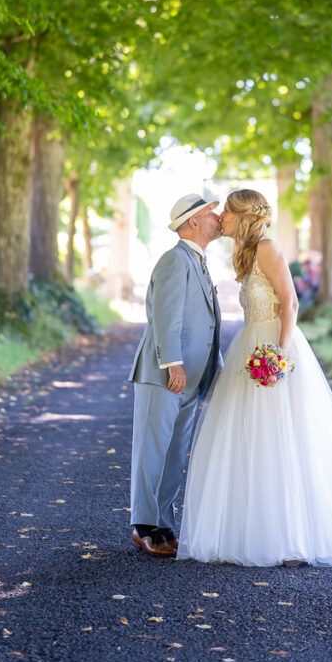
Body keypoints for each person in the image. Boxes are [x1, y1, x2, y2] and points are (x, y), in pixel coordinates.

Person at [177, 188, 332, 568]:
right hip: (250, 346)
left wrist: (278, 353)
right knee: (251, 440)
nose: (220, 215)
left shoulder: (269, 248)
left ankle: (292, 539)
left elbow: (290, 303)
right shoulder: (247, 253)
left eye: (226, 210)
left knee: (283, 439)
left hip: (274, 347)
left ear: (244, 216)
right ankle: (251, 532)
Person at [128, 193, 223, 557]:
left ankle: (163, 521)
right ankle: (144, 526)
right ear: (192, 222)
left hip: (191, 378)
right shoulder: (174, 259)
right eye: (210, 213)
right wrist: (174, 363)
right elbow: (166, 317)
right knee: (152, 449)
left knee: (173, 451)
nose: (217, 218)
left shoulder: (198, 261)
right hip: (164, 374)